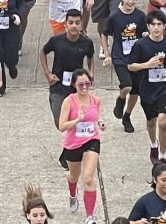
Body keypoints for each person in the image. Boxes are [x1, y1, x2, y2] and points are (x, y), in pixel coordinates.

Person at [128, 8, 166, 166]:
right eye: (153, 24)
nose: (156, 28)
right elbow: (130, 66)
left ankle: (162, 156)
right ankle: (153, 144)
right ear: (148, 26)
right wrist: (147, 65)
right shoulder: (140, 45)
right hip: (147, 89)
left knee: (162, 122)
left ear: (164, 26)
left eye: (159, 24)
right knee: (151, 122)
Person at [58, 69, 104, 224]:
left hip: (91, 141)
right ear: (74, 85)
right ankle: (72, 193)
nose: (84, 87)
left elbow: (96, 117)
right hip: (73, 145)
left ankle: (89, 217)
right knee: (74, 176)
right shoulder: (69, 101)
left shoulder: (95, 100)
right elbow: (62, 126)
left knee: (88, 178)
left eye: (87, 84)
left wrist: (100, 123)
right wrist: (78, 119)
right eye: (81, 84)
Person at [102, 0, 146, 134]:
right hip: (120, 57)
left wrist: (146, 36)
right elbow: (104, 34)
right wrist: (107, 53)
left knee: (135, 92)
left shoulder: (140, 16)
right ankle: (120, 99)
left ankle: (127, 116)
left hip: (136, 58)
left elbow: (144, 33)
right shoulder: (115, 16)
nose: (131, 2)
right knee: (127, 86)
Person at [40, 9, 95, 130]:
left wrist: (91, 72)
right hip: (58, 85)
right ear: (65, 24)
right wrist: (48, 73)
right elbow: (43, 52)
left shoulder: (87, 43)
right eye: (71, 23)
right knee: (60, 123)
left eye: (77, 23)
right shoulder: (56, 40)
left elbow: (90, 57)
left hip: (77, 85)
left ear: (81, 25)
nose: (74, 26)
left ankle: (73, 139)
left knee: (80, 118)